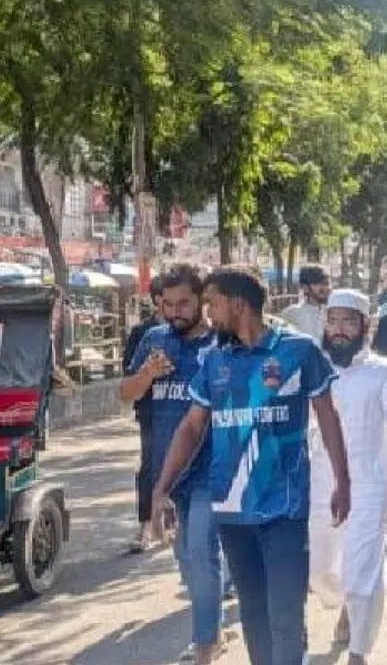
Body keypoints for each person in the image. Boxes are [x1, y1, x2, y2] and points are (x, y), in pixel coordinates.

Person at [151, 265, 352, 665]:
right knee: (254, 614)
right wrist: (161, 488)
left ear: (239, 304)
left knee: (285, 616)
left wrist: (342, 481)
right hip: (232, 511)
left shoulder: (298, 352)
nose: (208, 314)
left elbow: (328, 417)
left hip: (285, 509)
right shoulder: (214, 361)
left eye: (213, 303)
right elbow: (192, 427)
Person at [120, 266, 224, 663]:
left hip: (210, 469)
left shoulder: (220, 344)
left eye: (184, 303)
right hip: (167, 471)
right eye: (168, 305)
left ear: (201, 300)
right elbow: (124, 394)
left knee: (201, 551)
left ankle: (206, 642)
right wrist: (147, 373)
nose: (176, 312)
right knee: (185, 558)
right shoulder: (154, 339)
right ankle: (213, 620)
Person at [309, 289, 387, 665]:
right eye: (332, 321)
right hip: (322, 483)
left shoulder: (384, 373)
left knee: (361, 571)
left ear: (365, 327)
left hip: (371, 486)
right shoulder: (314, 369)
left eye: (348, 322)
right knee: (322, 569)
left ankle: (358, 652)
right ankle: (346, 607)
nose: (338, 330)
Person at [124, 275, 164, 553]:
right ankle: (146, 526)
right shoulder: (143, 333)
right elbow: (127, 375)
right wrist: (149, 372)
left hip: (186, 410)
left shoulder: (197, 332)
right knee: (150, 466)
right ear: (159, 301)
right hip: (151, 409)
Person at [280, 263, 331, 341]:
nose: (324, 288)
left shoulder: (335, 313)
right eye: (317, 283)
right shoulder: (291, 314)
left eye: (326, 283)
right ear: (305, 287)